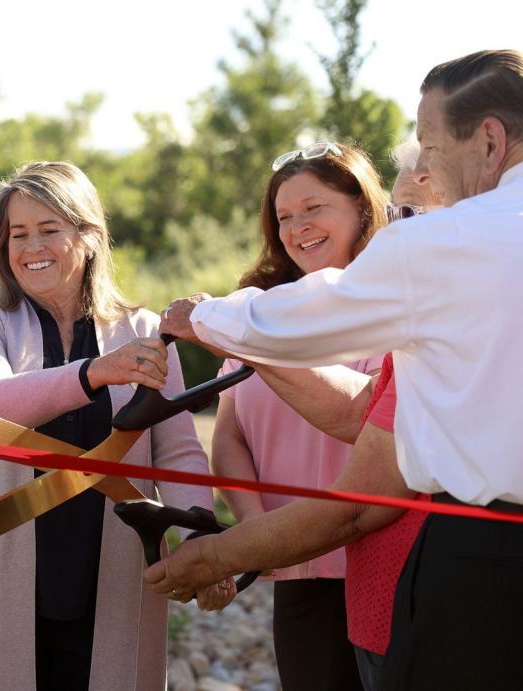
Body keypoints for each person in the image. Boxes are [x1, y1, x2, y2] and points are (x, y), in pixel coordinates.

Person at [151, 49, 523, 690]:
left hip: (486, 560)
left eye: (430, 147)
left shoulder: (450, 241)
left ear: (489, 140)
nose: (425, 168)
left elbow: (304, 322)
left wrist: (204, 317)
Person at [0, 161, 225, 691]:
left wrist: (201, 538)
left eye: (49, 229)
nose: (31, 246)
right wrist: (93, 373)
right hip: (5, 567)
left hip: (115, 565)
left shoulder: (144, 330)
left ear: (88, 237)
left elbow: (176, 452)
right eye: (18, 234)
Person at [210, 141, 386, 691]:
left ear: (360, 206)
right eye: (284, 216)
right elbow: (229, 434)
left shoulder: (400, 303)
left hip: (383, 565)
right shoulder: (251, 312)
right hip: (297, 571)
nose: (297, 227)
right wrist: (258, 530)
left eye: (314, 208)